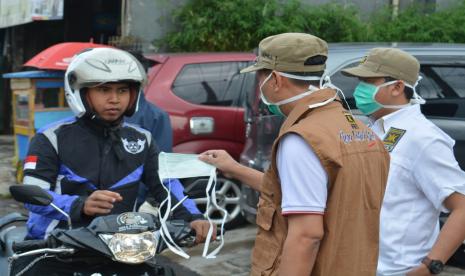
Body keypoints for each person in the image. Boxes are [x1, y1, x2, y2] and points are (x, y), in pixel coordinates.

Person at [199, 33, 390, 276]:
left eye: (261, 77)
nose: (260, 87)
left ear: (275, 79)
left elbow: (306, 236)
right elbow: (304, 193)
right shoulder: (362, 132)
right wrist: (234, 168)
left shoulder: (302, 139)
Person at [22, 47, 211, 243]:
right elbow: (33, 195)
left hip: (121, 245)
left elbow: (165, 183)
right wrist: (79, 205)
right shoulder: (50, 138)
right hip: (56, 245)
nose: (114, 99)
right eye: (104, 89)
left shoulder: (141, 139)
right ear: (82, 93)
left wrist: (194, 217)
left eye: (122, 90)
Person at [342, 47, 465, 276]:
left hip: (396, 271)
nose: (359, 89)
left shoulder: (423, 138)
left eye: (368, 82)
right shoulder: (375, 129)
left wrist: (430, 266)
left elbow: (462, 207)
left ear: (397, 87)